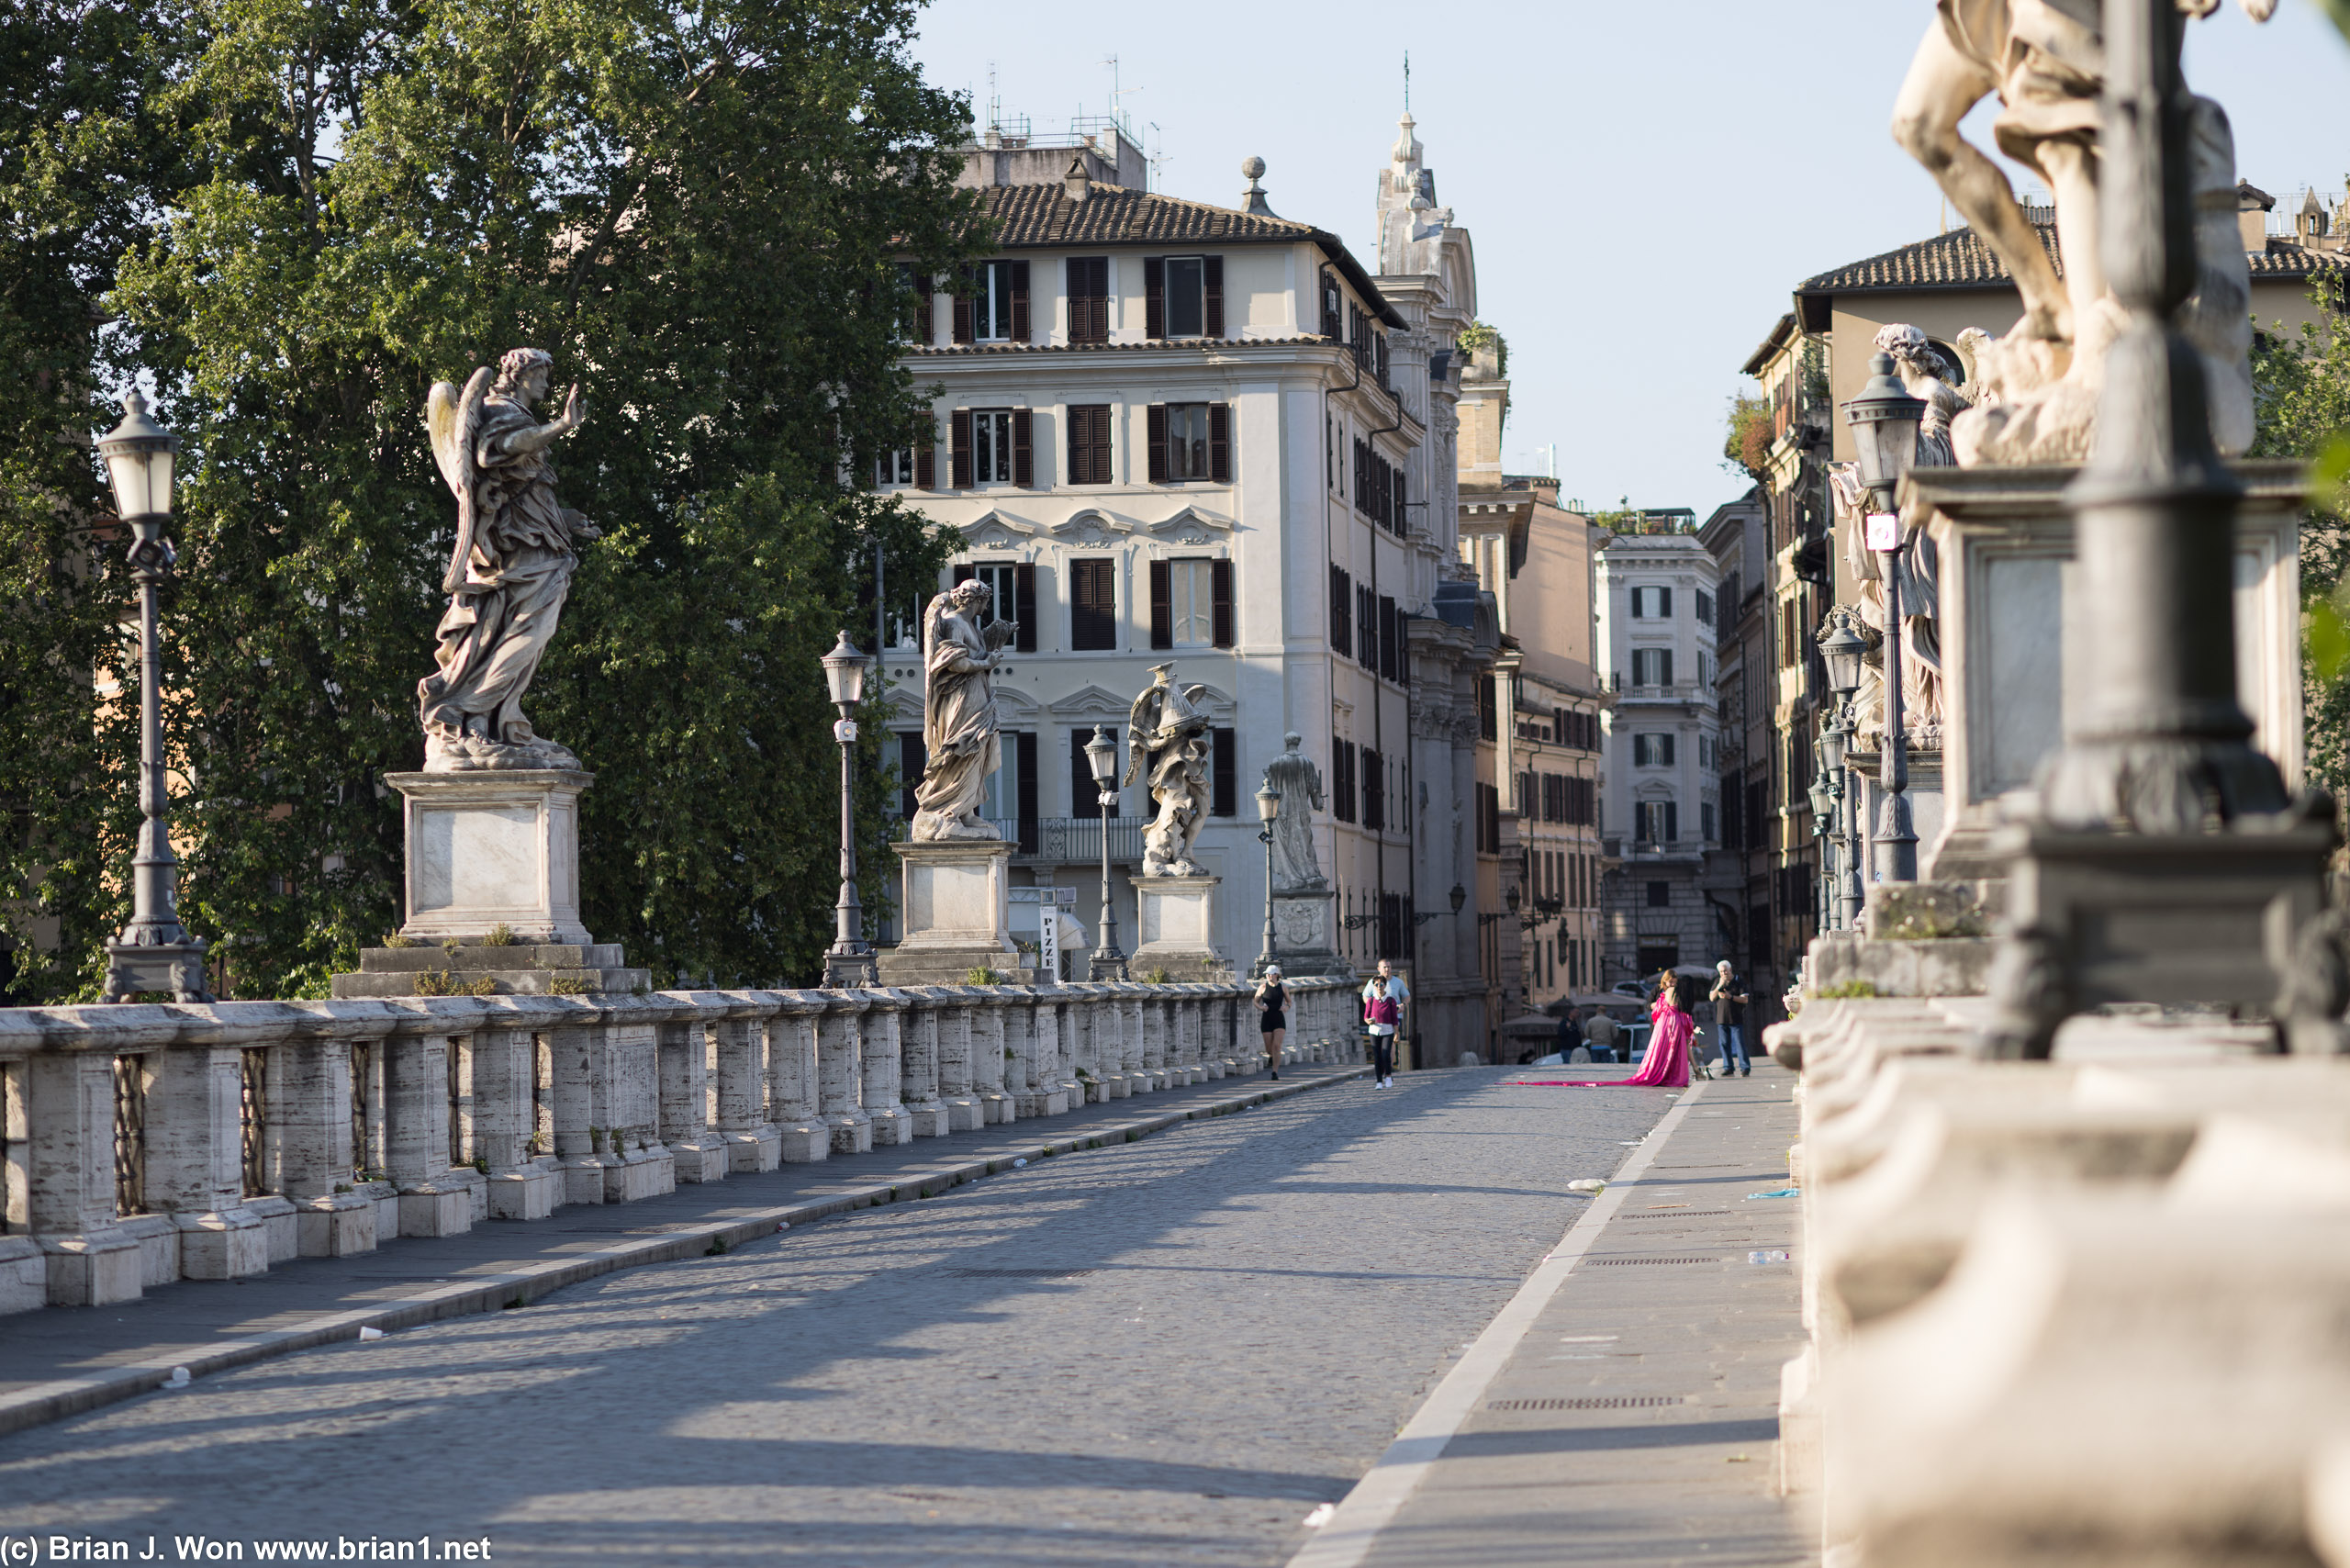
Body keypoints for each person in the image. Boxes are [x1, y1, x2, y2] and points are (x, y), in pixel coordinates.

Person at [1709, 960, 1751, 1078]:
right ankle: (1728, 1067)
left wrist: (1730, 997)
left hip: (1736, 1018)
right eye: (1721, 972)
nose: (1724, 973)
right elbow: (1712, 998)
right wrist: (1719, 986)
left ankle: (1745, 1068)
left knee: (1739, 1043)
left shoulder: (1739, 981)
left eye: (1725, 971)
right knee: (1724, 1044)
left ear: (1730, 969)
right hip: (1721, 1019)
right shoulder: (1718, 981)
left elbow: (1745, 999)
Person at [1364, 976, 1401, 1088]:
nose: (1379, 987)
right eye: (1376, 985)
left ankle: (1388, 1076)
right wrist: (1368, 1021)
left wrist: (1396, 1033)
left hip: (1387, 1030)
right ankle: (1379, 1081)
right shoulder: (1371, 1000)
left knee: (1386, 1055)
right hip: (1374, 1031)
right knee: (1377, 1056)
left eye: (1381, 984)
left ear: (1385, 985)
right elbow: (1366, 1016)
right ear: (1373, 986)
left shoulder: (1390, 1000)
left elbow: (1395, 1018)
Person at [1253, 966, 1288, 1081]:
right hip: (1267, 1019)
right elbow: (1255, 1001)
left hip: (1279, 1018)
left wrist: (1286, 1007)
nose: (1268, 976)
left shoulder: (1283, 987)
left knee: (1277, 1046)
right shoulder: (1263, 987)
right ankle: (1271, 1056)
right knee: (1269, 1048)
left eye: (1271, 974)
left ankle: (1275, 1072)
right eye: (1267, 974)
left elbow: (1289, 1002)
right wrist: (1261, 1008)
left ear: (1276, 975)